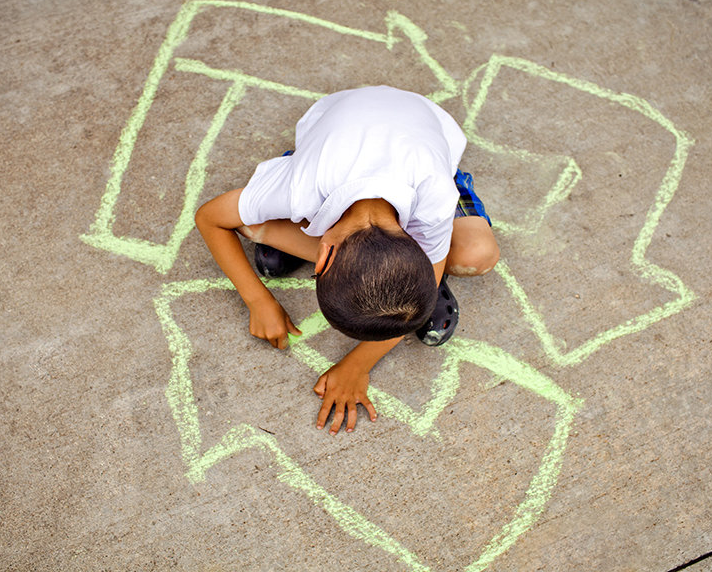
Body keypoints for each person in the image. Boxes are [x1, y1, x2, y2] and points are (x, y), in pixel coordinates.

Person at [195, 86, 499, 435]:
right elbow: (210, 217)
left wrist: (358, 365)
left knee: (477, 255)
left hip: (423, 142)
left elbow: (433, 267)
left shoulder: (434, 198)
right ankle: (393, 282)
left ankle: (401, 288)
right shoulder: (300, 187)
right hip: (331, 139)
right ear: (322, 256)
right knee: (247, 223)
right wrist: (257, 299)